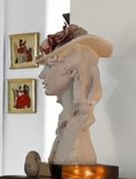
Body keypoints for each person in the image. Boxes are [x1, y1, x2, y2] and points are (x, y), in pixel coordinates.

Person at [39, 23, 115, 167]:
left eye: (49, 66)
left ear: (73, 71)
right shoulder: (65, 118)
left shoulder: (77, 121)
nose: (41, 75)